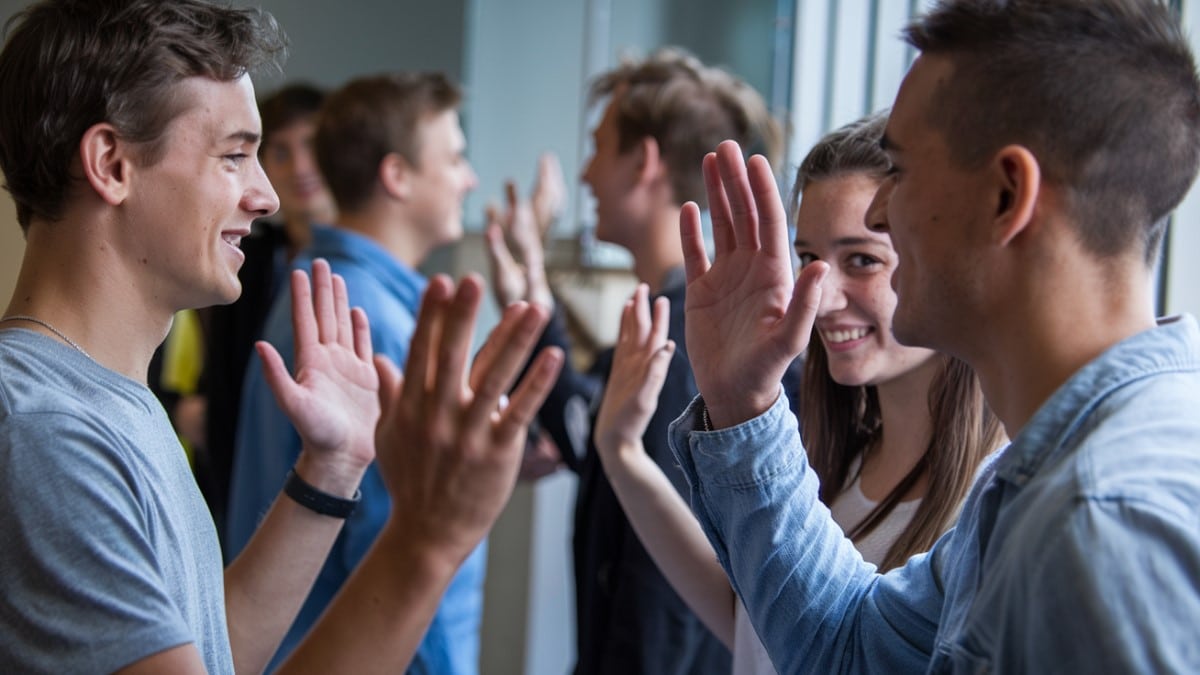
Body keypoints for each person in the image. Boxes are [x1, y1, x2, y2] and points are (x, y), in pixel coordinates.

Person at [0, 1, 562, 672]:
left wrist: (330, 469)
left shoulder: (110, 403)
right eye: (235, 157)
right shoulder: (44, 433)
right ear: (113, 165)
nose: (265, 196)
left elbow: (214, 646)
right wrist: (429, 540)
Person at [669, 0, 1200, 672]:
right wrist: (744, 403)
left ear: (1007, 195)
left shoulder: (1104, 521)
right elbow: (851, 645)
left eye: (902, 170)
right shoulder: (1032, 479)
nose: (885, 211)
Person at [591, 113, 1004, 674]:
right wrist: (622, 455)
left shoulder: (991, 503)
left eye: (862, 260)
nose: (821, 296)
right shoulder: (828, 455)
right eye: (808, 259)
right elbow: (756, 619)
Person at [486, 48, 778, 673]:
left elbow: (659, 594)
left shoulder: (685, 340)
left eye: (598, 147)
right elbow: (599, 443)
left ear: (643, 161)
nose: (586, 174)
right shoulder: (669, 318)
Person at [227, 72, 486, 673]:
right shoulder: (371, 322)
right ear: (397, 176)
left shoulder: (340, 293)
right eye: (454, 157)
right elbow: (396, 555)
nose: (467, 177)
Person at [202, 82, 336, 544]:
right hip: (247, 478)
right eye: (280, 151)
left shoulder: (365, 268)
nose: (299, 167)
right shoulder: (240, 260)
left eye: (312, 147)